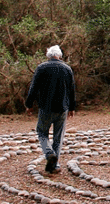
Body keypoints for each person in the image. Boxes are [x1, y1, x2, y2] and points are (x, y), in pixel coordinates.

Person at [25, 45, 76, 173]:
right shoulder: (67, 69)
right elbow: (72, 90)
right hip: (62, 108)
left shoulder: (41, 68)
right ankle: (55, 165)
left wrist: (29, 104)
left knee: (42, 132)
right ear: (60, 55)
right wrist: (72, 107)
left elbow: (34, 88)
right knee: (58, 137)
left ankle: (49, 154)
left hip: (46, 108)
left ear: (48, 55)